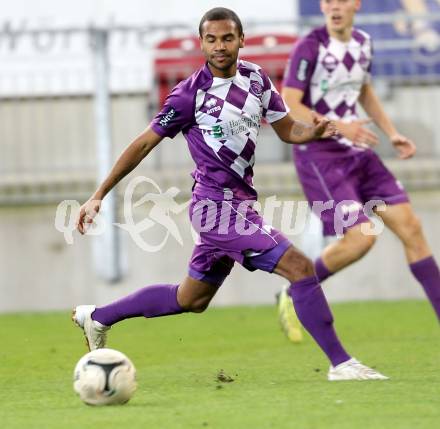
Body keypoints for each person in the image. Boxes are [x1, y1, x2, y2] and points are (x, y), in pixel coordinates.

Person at [73, 7, 388, 381]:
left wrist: (314, 132)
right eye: (211, 39)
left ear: (241, 40)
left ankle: (96, 317)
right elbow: (143, 144)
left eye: (226, 38)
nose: (219, 46)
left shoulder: (256, 79)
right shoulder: (189, 95)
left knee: (190, 300)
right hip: (214, 208)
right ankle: (342, 364)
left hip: (239, 205)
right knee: (300, 268)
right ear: (201, 44)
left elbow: (288, 130)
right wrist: (99, 194)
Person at [278, 0, 440, 343]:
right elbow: (290, 102)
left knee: (411, 227)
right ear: (322, 7)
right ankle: (297, 290)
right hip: (320, 154)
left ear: (356, 4)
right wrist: (339, 126)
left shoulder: (363, 42)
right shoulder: (310, 46)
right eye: (328, 2)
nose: (335, 7)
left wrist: (391, 132)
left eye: (342, 1)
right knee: (362, 237)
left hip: (358, 152)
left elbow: (363, 89)